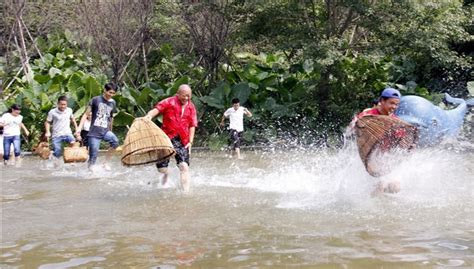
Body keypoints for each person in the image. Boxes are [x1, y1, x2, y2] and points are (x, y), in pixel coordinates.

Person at [145, 84, 198, 192]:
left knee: (184, 166)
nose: (186, 98)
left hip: (182, 140)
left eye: (189, 96)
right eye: (184, 96)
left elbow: (192, 125)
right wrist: (148, 116)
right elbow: (156, 110)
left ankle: (185, 193)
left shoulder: (191, 107)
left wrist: (190, 142)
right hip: (166, 139)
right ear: (178, 94)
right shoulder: (169, 102)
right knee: (162, 168)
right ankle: (166, 175)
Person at [350, 88, 403, 194]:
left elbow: (401, 139)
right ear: (382, 101)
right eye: (391, 103)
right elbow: (352, 128)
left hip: (384, 157)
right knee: (380, 186)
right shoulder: (368, 114)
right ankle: (370, 206)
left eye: (396, 104)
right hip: (367, 157)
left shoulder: (395, 120)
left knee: (395, 187)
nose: (394, 107)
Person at [76, 82, 119, 170]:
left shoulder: (112, 103)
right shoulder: (95, 100)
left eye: (113, 93)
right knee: (93, 155)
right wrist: (79, 129)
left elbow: (110, 118)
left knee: (115, 142)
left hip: (105, 131)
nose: (111, 95)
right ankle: (90, 171)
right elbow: (85, 114)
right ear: (104, 90)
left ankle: (106, 163)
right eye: (110, 92)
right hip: (94, 132)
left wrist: (111, 130)